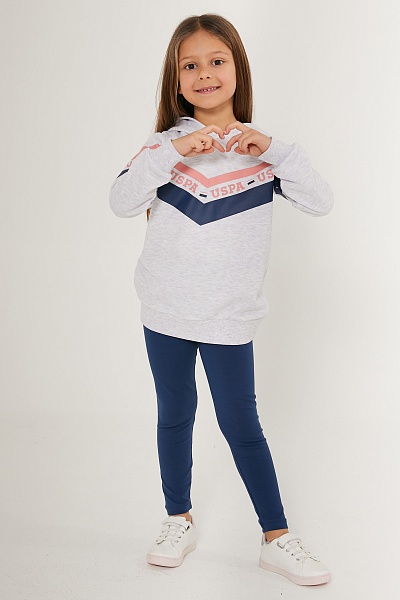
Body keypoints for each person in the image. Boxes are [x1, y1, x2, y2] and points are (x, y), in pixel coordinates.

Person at [109, 13, 333, 586]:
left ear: (237, 69)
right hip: (165, 310)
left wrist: (277, 150)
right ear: (176, 79)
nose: (204, 73)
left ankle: (276, 537)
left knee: (241, 423)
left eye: (216, 61)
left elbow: (320, 200)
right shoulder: (162, 147)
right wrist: (174, 151)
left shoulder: (263, 152)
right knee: (175, 414)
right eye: (191, 65)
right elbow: (121, 200)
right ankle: (177, 518)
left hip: (230, 316)